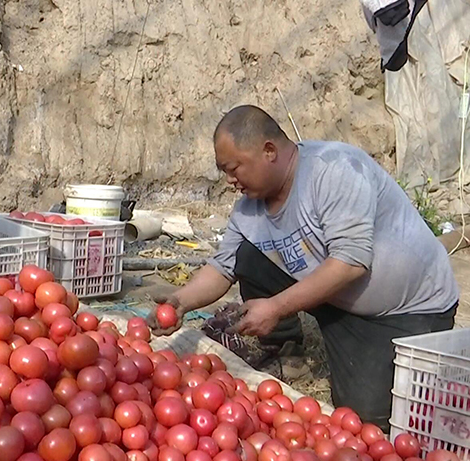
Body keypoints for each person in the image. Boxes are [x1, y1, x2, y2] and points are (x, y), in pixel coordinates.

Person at [149, 105, 458, 431]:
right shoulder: (248, 208)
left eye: (234, 167)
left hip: (409, 309)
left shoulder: (334, 171)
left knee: (368, 419)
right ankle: (285, 346)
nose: (229, 180)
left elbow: (351, 263)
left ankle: (311, 331)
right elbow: (223, 268)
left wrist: (276, 307)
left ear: (269, 151)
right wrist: (180, 302)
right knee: (248, 256)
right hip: (337, 296)